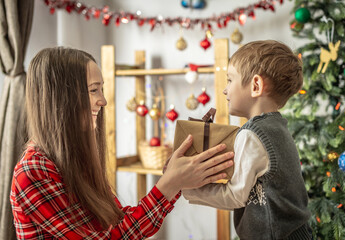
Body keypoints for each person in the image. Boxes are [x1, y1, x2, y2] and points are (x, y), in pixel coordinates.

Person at [10, 47, 234, 239]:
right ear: (60, 98)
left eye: (102, 89)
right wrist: (169, 185)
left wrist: (174, 178)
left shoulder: (73, 160)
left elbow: (116, 222)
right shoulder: (33, 172)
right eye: (93, 90)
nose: (103, 100)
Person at [182, 40, 312, 239]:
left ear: (256, 85)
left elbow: (235, 195)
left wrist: (187, 188)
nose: (225, 90)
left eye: (230, 80)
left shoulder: (251, 134)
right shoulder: (277, 126)